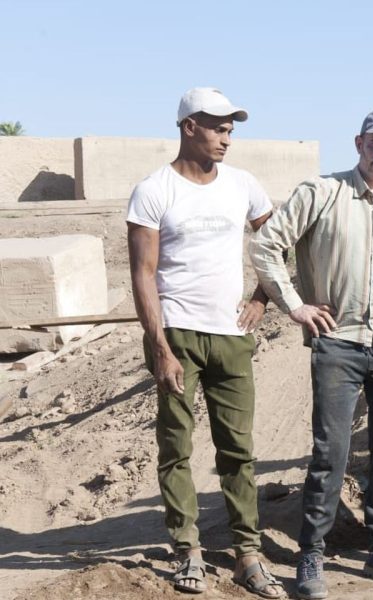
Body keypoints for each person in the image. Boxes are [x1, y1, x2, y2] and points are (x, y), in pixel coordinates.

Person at [251, 109, 373, 598]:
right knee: (330, 451)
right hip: (338, 340)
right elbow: (266, 246)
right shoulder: (321, 193)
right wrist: (294, 305)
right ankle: (311, 554)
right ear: (359, 144)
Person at [127, 87, 284, 598]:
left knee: (238, 449)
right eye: (218, 128)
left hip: (233, 336)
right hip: (177, 333)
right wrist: (160, 347)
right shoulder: (154, 190)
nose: (226, 139)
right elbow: (143, 274)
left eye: (230, 129)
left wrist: (261, 297)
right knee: (175, 446)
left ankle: (248, 555)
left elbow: (276, 242)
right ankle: (187, 550)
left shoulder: (243, 185)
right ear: (189, 127)